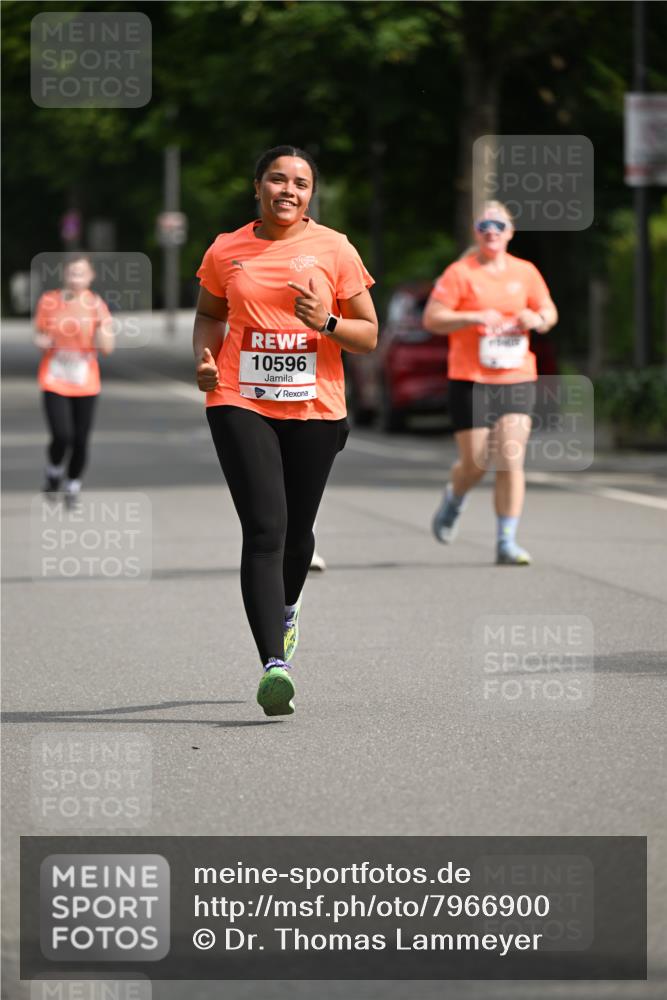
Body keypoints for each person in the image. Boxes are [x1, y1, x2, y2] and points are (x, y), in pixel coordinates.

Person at [193, 145, 377, 716]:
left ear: (310, 194)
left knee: (297, 536)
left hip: (316, 408)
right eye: (277, 179)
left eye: (300, 183)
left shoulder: (335, 248)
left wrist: (326, 321)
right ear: (258, 187)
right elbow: (210, 314)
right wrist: (204, 358)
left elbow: (369, 334)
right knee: (264, 530)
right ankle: (274, 665)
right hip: (239, 399)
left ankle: (288, 607)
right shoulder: (226, 250)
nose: (288, 191)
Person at [423, 201, 558, 565]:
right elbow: (433, 318)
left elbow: (549, 311)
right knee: (477, 463)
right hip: (470, 379)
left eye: (499, 224)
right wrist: (472, 316)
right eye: (485, 225)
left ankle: (506, 541)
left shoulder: (525, 272)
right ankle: (455, 496)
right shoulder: (460, 273)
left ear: (510, 232)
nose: (492, 231)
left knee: (510, 458)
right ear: (476, 232)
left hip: (516, 377)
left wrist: (537, 318)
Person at [34, 255, 114, 508]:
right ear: (64, 275)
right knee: (62, 435)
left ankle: (72, 485)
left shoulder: (97, 305)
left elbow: (107, 348)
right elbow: (39, 334)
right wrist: (42, 341)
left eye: (81, 273)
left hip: (85, 380)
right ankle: (54, 471)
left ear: (91, 277)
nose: (76, 278)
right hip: (55, 377)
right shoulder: (49, 301)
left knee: (80, 439)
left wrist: (100, 325)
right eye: (72, 273)